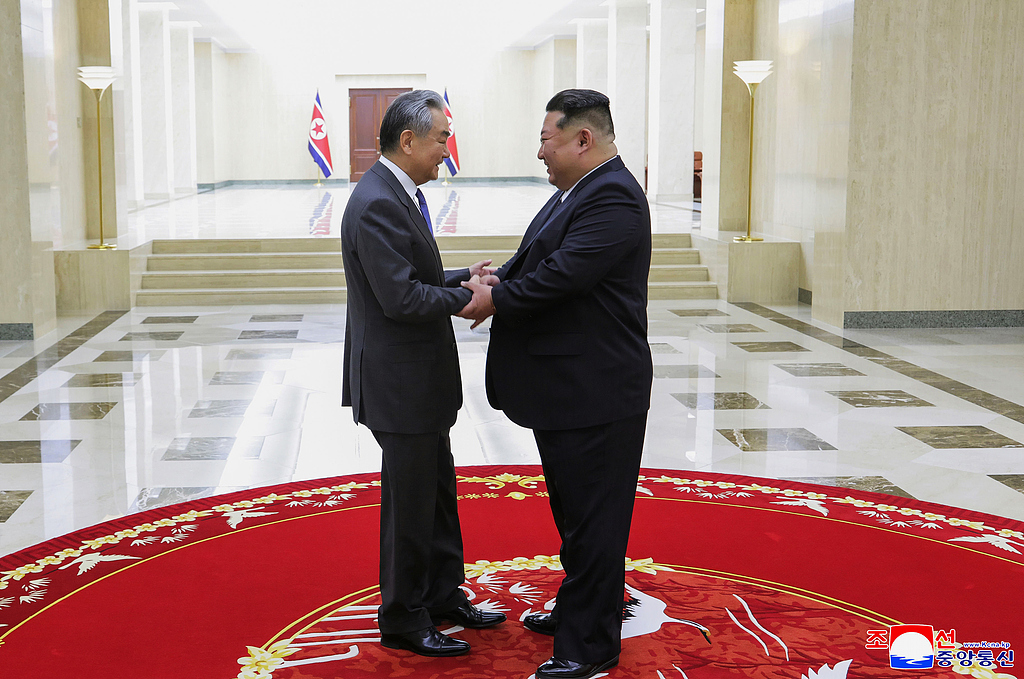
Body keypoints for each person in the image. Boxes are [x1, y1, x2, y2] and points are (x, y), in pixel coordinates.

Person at [460, 89, 654, 679]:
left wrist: (496, 299)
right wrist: (498, 275)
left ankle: (590, 645)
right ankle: (589, 602)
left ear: (582, 139)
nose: (540, 151)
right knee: (577, 514)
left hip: (597, 388)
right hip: (569, 387)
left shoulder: (614, 196)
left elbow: (566, 276)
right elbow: (540, 258)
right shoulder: (578, 192)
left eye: (547, 139)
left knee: (596, 518)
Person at [340, 89, 505, 658]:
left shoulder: (396, 191)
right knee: (409, 507)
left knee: (435, 493)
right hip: (399, 383)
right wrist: (468, 297)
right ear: (407, 140)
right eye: (440, 139)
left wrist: (464, 273)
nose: (446, 150)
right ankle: (404, 616)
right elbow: (401, 298)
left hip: (417, 383)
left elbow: (413, 269)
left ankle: (441, 594)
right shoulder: (379, 200)